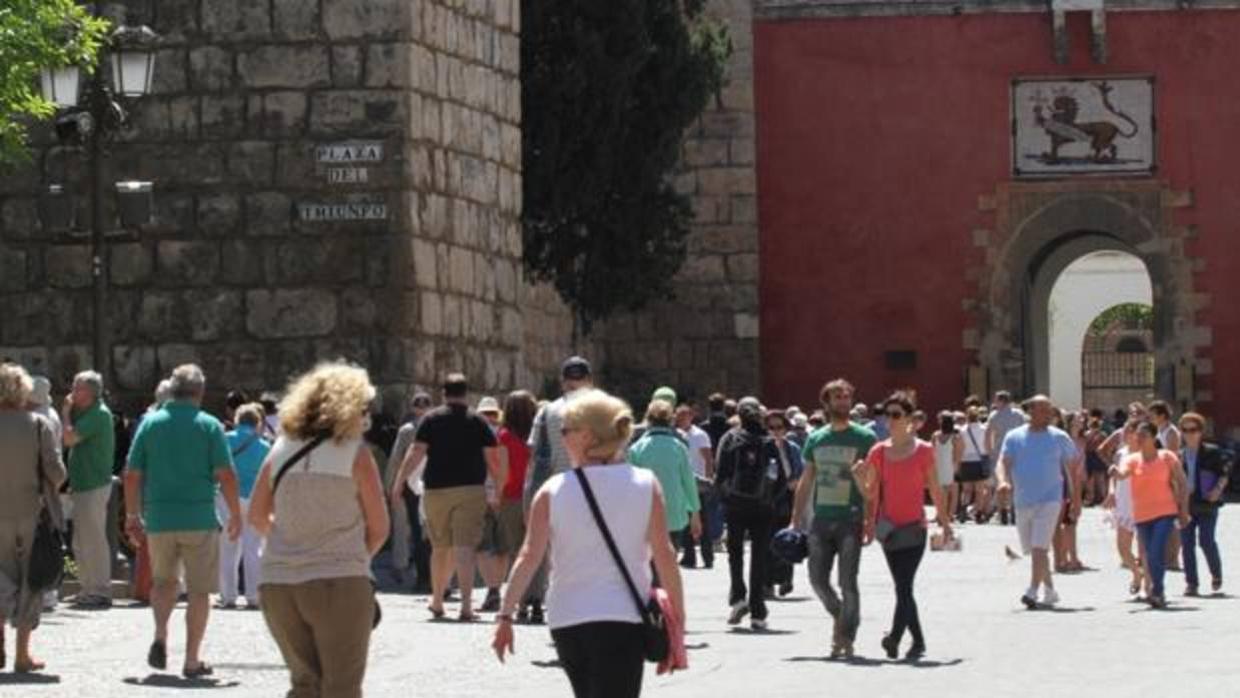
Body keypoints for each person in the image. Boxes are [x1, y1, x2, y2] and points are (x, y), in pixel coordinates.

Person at [491, 390, 686, 698]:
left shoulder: (552, 491)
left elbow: (529, 556)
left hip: (567, 618)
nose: (563, 437)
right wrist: (678, 620)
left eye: (566, 430)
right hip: (622, 616)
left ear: (587, 437)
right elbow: (665, 555)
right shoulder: (646, 484)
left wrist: (505, 615)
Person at [248, 362, 390, 698]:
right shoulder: (355, 454)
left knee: (304, 686)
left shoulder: (279, 451)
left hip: (279, 583)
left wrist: (291, 543)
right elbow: (380, 527)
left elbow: (257, 516)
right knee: (341, 689)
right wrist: (353, 558)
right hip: (338, 580)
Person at [124, 364, 243, 677]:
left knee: (163, 583)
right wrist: (235, 513)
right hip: (199, 517)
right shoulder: (209, 425)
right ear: (200, 392)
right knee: (200, 591)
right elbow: (226, 474)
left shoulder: (150, 424)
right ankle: (191, 659)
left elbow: (132, 474)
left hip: (160, 518)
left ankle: (161, 633)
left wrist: (132, 514)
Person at [389, 373, 501, 621]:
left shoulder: (431, 419)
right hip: (471, 489)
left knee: (439, 548)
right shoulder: (477, 421)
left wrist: (398, 483)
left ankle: (438, 601)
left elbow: (416, 452)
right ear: (466, 393)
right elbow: (493, 458)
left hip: (435, 490)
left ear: (444, 393)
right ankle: (466, 608)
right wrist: (499, 488)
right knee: (464, 547)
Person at [858, 392, 952, 659]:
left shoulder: (923, 450)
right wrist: (858, 481)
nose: (890, 420)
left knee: (903, 586)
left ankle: (895, 637)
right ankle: (917, 642)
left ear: (910, 419)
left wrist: (945, 523)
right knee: (903, 587)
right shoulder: (878, 451)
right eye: (887, 415)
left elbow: (935, 489)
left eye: (896, 415)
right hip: (888, 530)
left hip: (915, 528)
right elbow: (870, 492)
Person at [789, 379, 876, 658]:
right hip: (821, 519)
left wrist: (870, 518)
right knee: (816, 579)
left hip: (851, 518)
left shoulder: (864, 438)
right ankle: (841, 615)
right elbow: (806, 479)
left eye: (846, 396)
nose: (843, 401)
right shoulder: (816, 438)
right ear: (826, 403)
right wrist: (795, 518)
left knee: (848, 582)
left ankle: (846, 636)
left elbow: (874, 483)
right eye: (837, 397)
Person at [0, 363, 67, 673]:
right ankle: (22, 654)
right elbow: (56, 473)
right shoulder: (38, 424)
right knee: (32, 579)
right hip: (32, 513)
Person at [521, 356, 596, 623]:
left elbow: (536, 455)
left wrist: (532, 496)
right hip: (595, 489)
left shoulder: (547, 411)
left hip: (558, 489)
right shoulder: (602, 410)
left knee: (549, 550)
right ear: (589, 380)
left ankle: (543, 603)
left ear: (563, 381)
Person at [995, 395, 1077, 609]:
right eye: (1042, 409)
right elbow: (1003, 462)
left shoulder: (1060, 437)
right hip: (1022, 500)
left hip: (1051, 499)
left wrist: (1075, 499)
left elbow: (1072, 470)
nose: (1048, 414)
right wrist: (1003, 481)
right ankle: (1050, 590)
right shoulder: (1014, 437)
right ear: (1030, 411)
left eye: (1050, 410)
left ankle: (1032, 591)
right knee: (1033, 549)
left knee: (1040, 546)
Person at [1110, 421, 1189, 608]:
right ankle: (1155, 589)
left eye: (1144, 434)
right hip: (1142, 514)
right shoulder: (1133, 459)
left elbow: (1182, 483)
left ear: (1154, 438)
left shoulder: (1167, 457)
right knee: (1147, 553)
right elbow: (1123, 475)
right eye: (1138, 434)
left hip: (1165, 511)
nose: (1139, 437)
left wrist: (1183, 510)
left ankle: (1157, 591)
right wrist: (1115, 473)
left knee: (1154, 552)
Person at [716, 397, 777, 629]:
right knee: (759, 557)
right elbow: (779, 475)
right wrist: (772, 499)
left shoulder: (730, 438)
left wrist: (724, 498)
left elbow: (721, 472)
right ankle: (758, 611)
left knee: (735, 553)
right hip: (763, 506)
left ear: (738, 415)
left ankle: (738, 598)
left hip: (736, 505)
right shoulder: (768, 440)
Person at [60, 370, 117, 609]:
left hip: (94, 484)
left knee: (93, 538)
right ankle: (87, 587)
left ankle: (100, 589)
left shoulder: (99, 415)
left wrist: (64, 414)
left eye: (78, 387)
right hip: (82, 483)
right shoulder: (85, 412)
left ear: (91, 392)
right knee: (80, 540)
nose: (73, 391)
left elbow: (69, 439)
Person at [216, 403, 271, 610]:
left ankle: (228, 595)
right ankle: (253, 595)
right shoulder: (265, 446)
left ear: (237, 420)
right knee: (253, 546)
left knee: (229, 545)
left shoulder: (226, 440)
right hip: (255, 498)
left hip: (228, 498)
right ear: (258, 423)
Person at [628, 400, 702, 552]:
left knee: (649, 567)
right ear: (671, 420)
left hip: (645, 516)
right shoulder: (679, 447)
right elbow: (688, 481)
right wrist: (695, 513)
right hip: (674, 515)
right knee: (669, 560)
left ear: (648, 419)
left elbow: (630, 485)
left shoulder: (636, 448)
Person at [385, 390, 434, 591]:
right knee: (431, 532)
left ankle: (421, 576)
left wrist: (391, 486)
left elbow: (397, 459)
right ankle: (434, 577)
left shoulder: (407, 430)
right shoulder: (436, 425)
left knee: (415, 531)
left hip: (412, 485)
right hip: (433, 483)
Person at [1178, 412, 1230, 596]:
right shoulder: (1178, 455)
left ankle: (1216, 574)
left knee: (1206, 541)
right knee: (1186, 544)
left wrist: (1217, 490)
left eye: (1193, 430)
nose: (1189, 434)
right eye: (1185, 430)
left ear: (1200, 431)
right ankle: (1192, 583)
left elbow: (1224, 473)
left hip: (1207, 503)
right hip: (1187, 504)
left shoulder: (1212, 452)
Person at [495, 391, 537, 601]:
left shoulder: (504, 436)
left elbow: (503, 471)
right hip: (536, 496)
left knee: (515, 550)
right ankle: (536, 596)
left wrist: (497, 497)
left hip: (512, 496)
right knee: (536, 549)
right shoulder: (537, 436)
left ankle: (519, 598)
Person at [764, 409, 803, 599]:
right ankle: (768, 582)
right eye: (771, 427)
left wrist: (796, 482)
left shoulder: (792, 448)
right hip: (768, 499)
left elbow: (801, 471)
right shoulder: (764, 447)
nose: (775, 431)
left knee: (787, 539)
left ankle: (786, 578)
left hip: (788, 497)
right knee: (768, 541)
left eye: (779, 427)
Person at [676, 403, 717, 569]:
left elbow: (708, 458)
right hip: (681, 482)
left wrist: (708, 479)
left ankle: (708, 556)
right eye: (678, 417)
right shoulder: (677, 435)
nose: (680, 420)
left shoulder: (700, 435)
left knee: (703, 520)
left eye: (684, 416)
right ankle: (689, 556)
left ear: (691, 417)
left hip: (698, 482)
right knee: (685, 521)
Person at [986, 391, 1027, 525]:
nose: (995, 403)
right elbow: (1025, 432)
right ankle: (1014, 510)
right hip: (1017, 452)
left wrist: (989, 451)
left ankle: (1002, 511)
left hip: (1000, 452)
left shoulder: (994, 415)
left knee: (1001, 483)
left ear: (1001, 401)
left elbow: (988, 435)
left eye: (996, 400)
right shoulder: (1019, 414)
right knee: (1015, 483)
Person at [1054, 411, 1087, 573]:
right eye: (1077, 419)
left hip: (1078, 480)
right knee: (1065, 522)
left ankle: (1072, 556)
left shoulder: (1082, 440)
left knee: (1072, 522)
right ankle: (1064, 557)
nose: (1081, 420)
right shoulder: (1064, 440)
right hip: (1067, 482)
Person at [957, 406, 990, 524]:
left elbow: (960, 448)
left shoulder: (962, 430)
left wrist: (958, 463)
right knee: (979, 490)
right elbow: (987, 445)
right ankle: (979, 513)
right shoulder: (984, 429)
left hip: (966, 461)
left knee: (966, 490)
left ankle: (963, 509)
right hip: (979, 461)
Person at [932, 411, 963, 526]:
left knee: (942, 492)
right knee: (953, 493)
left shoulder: (935, 435)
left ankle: (942, 514)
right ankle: (949, 515)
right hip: (950, 466)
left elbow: (932, 452)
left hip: (938, 466)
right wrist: (957, 466)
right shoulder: (955, 437)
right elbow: (958, 453)